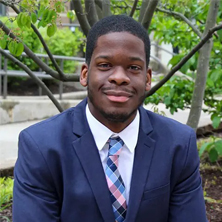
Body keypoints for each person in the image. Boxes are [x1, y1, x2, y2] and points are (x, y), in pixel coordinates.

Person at [13, 15, 207, 222]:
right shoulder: (41, 146)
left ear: (148, 79)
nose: (119, 77)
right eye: (105, 65)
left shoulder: (178, 144)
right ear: (85, 74)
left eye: (133, 68)